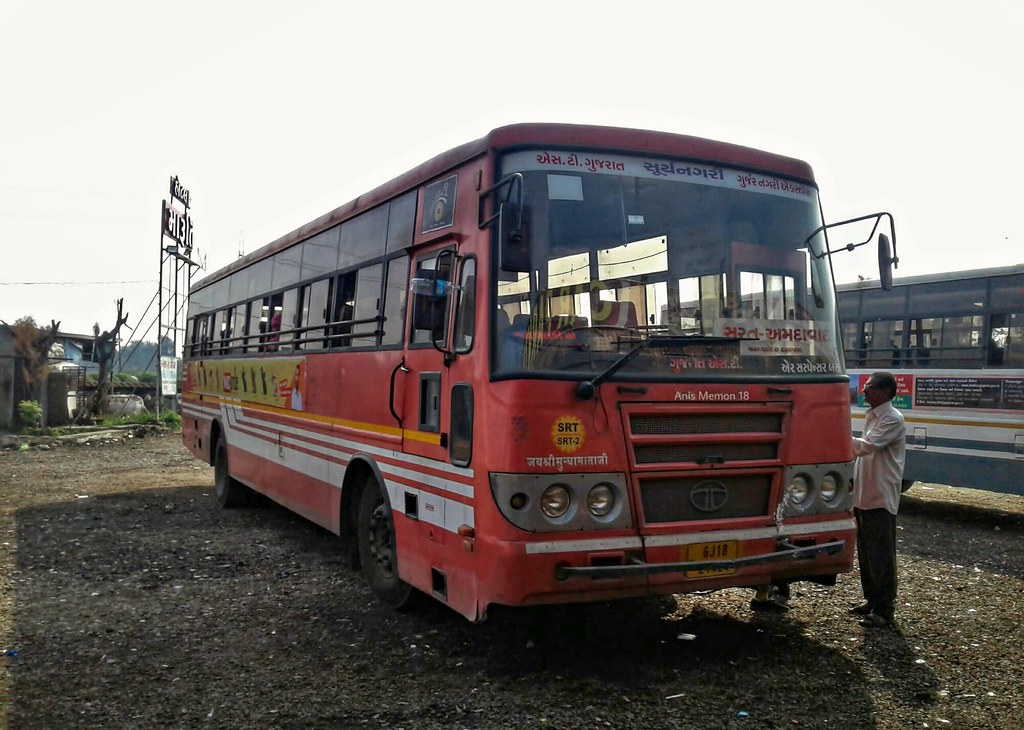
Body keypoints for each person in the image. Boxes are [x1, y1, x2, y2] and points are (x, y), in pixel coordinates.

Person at [849, 371, 906, 628]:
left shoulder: (892, 419)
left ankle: (885, 609)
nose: (864, 391)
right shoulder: (873, 416)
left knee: (882, 554)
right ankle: (871, 600)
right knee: (866, 552)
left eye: (869, 387)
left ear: (885, 391)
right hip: (864, 494)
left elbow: (866, 447)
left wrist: (837, 436)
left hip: (880, 497)